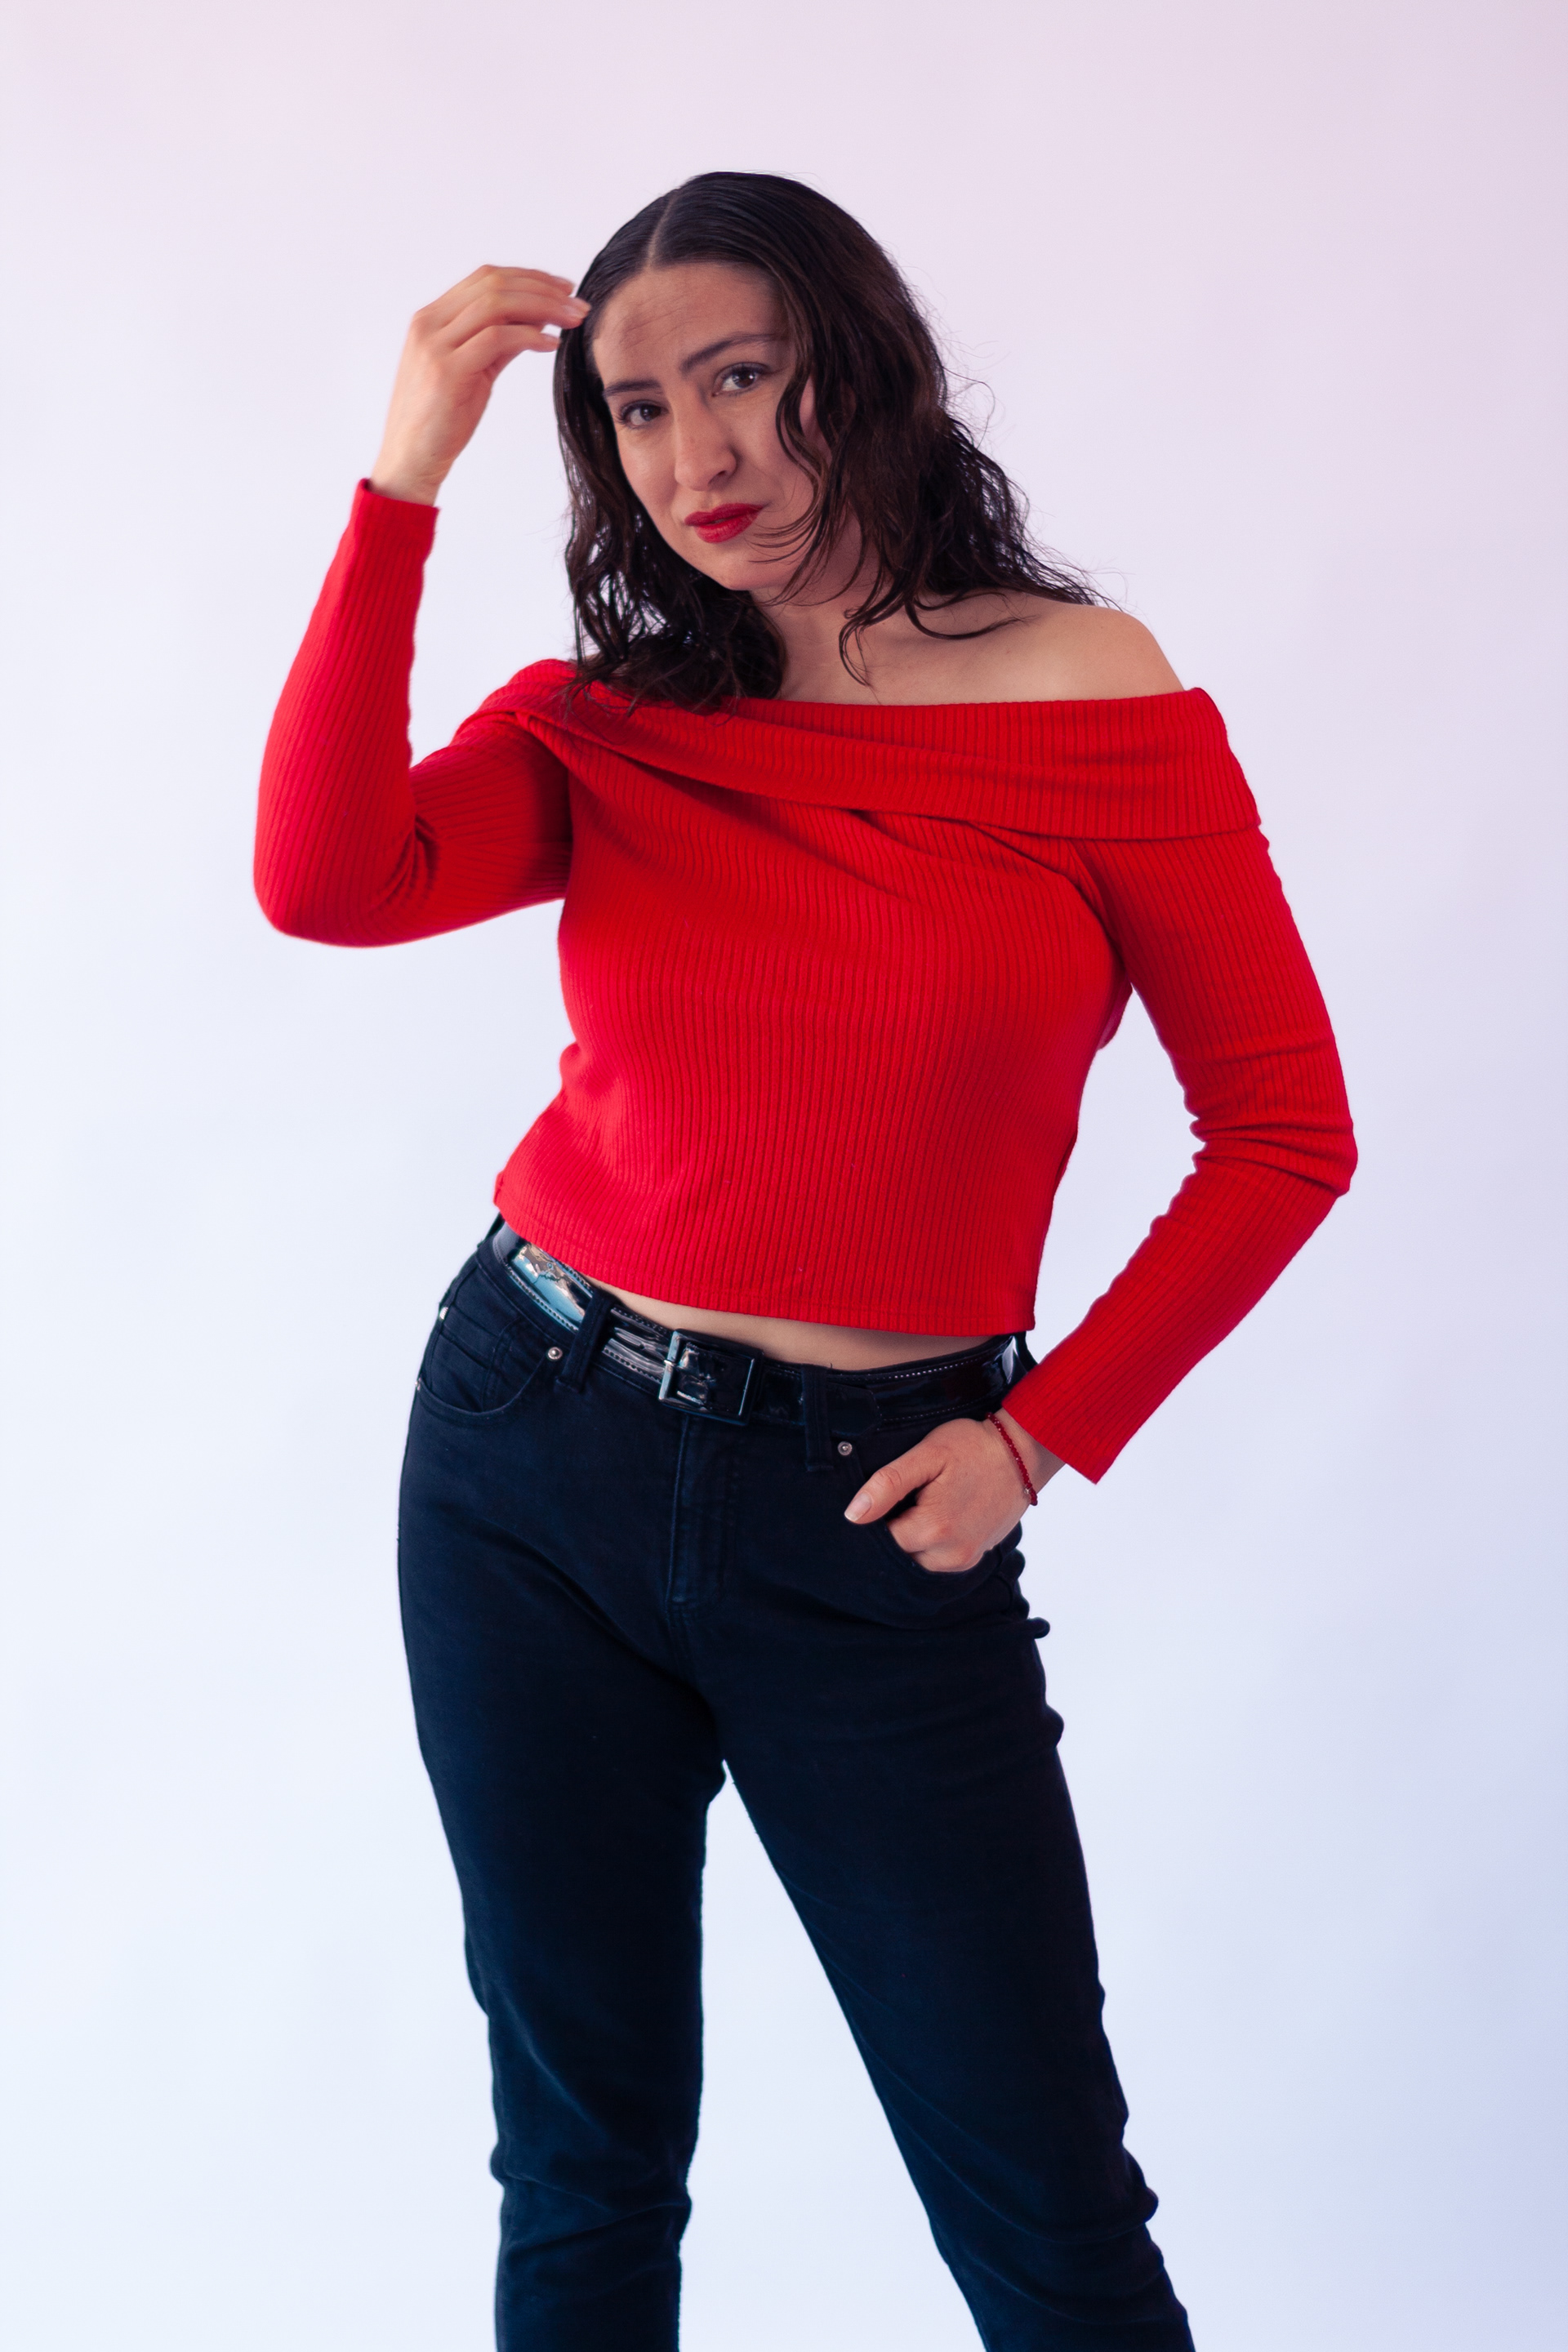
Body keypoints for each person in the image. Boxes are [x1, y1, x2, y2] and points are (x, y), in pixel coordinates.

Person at [256, 172, 1356, 2352]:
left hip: (874, 1517)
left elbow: (1284, 1135)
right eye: (641, 410)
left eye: (744, 377)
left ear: (863, 364)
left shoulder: (1090, 698)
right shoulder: (611, 724)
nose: (703, 455)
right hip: (527, 1456)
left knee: (1045, 2211)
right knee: (582, 2164)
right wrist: (402, 479)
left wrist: (1038, 1439)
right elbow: (326, 879)